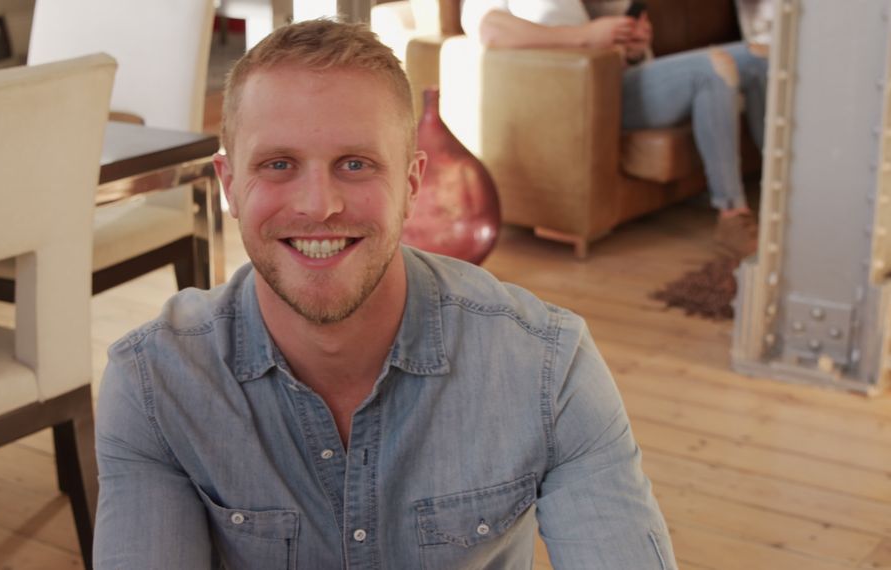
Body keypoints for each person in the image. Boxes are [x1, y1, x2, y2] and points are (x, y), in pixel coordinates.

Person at [92, 19, 677, 569]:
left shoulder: (548, 366)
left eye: (355, 163)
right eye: (277, 164)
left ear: (412, 182)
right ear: (229, 185)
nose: (319, 205)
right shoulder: (155, 385)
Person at [462, 0, 769, 258]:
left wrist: (632, 43)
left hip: (621, 76)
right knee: (714, 68)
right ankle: (732, 213)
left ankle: (787, 190)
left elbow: (604, 33)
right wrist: (585, 36)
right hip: (584, 93)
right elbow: (488, 27)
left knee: (760, 56)